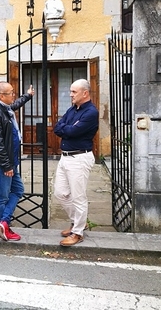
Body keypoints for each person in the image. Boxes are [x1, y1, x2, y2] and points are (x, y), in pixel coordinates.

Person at [53, 79, 99, 247]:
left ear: (85, 93)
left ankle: (77, 233)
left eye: (74, 92)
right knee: (60, 193)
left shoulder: (91, 113)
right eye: (71, 91)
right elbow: (58, 127)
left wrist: (67, 129)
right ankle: (79, 221)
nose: (70, 94)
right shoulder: (73, 109)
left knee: (79, 197)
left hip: (79, 158)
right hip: (65, 157)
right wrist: (67, 129)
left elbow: (72, 131)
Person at [0, 81, 35, 241]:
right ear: (2, 96)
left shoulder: (5, 108)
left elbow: (16, 104)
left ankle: (3, 223)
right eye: (11, 93)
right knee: (1, 196)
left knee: (18, 190)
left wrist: (28, 96)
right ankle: (2, 227)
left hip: (11, 160)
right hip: (3, 163)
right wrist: (7, 165)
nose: (13, 95)